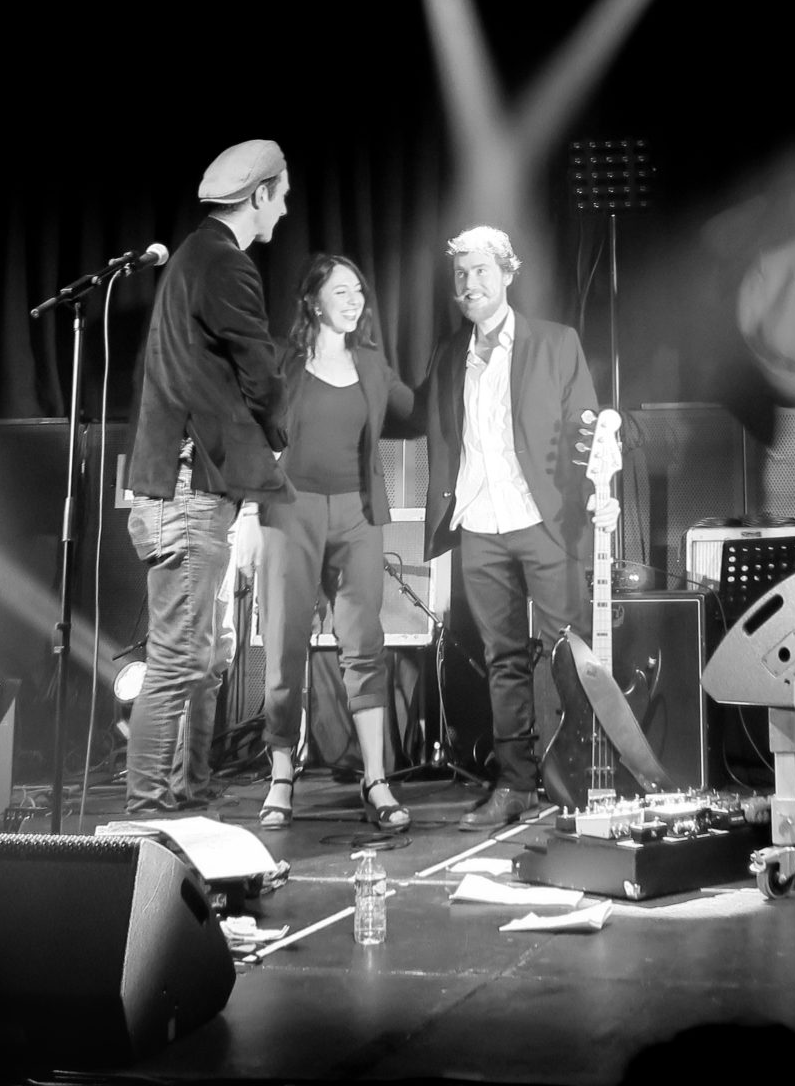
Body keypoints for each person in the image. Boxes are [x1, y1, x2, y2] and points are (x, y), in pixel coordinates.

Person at [120, 139, 291, 815]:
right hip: (190, 487)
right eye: (281, 195)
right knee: (176, 661)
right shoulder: (224, 262)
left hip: (187, 483)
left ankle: (182, 791)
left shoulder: (194, 258)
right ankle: (146, 811)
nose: (284, 208)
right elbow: (260, 371)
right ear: (260, 195)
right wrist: (278, 436)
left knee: (204, 655)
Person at [416, 225, 602, 830]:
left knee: (567, 651)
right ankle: (516, 782)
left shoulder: (556, 342)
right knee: (503, 659)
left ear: (507, 275)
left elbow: (586, 428)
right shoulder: (450, 354)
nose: (470, 284)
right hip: (479, 521)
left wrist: (595, 490)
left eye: (481, 272)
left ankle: (577, 777)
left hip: (544, 518)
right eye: (461, 275)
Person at [256, 253, 418, 833]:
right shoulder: (283, 361)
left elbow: (416, 410)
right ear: (313, 301)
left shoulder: (371, 363)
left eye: (359, 292)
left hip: (358, 513)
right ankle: (281, 775)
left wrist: (466, 365)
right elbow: (249, 422)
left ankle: (375, 778)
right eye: (341, 291)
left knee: (364, 643)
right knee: (284, 644)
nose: (355, 301)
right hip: (291, 508)